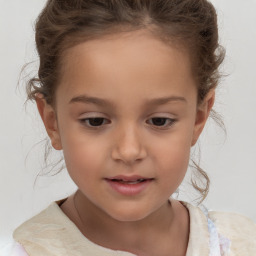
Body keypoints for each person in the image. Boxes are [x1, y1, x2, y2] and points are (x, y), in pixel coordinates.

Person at [6, 0, 256, 255]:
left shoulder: (239, 245)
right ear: (52, 122)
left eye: (159, 121)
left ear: (198, 118)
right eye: (95, 121)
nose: (128, 151)